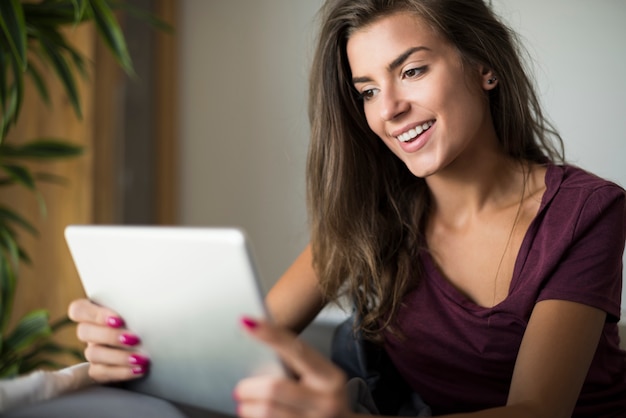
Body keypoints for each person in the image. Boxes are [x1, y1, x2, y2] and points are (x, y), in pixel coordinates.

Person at [68, 0, 626, 417]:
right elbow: (244, 345)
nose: (391, 109)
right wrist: (135, 347)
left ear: (485, 67)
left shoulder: (588, 212)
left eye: (411, 71)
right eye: (367, 90)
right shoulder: (374, 213)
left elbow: (537, 410)